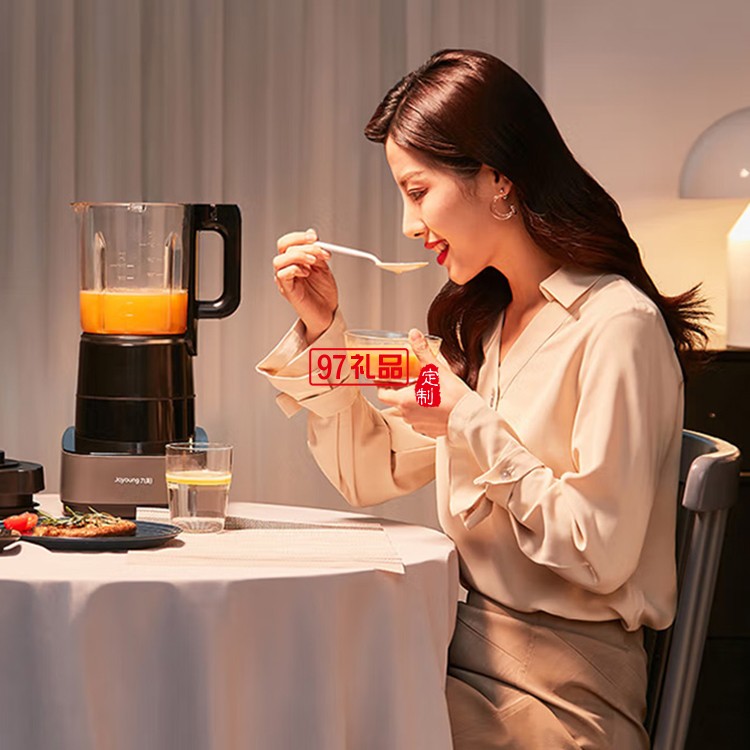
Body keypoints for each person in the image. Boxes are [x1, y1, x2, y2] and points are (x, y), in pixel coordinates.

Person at [257, 49, 708, 749]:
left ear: (498, 181)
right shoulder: (488, 328)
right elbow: (371, 471)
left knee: (311, 723)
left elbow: (600, 551)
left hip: (562, 705)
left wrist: (466, 418)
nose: (408, 225)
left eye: (417, 191)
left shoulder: (617, 325)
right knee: (286, 696)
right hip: (462, 663)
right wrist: (323, 330)